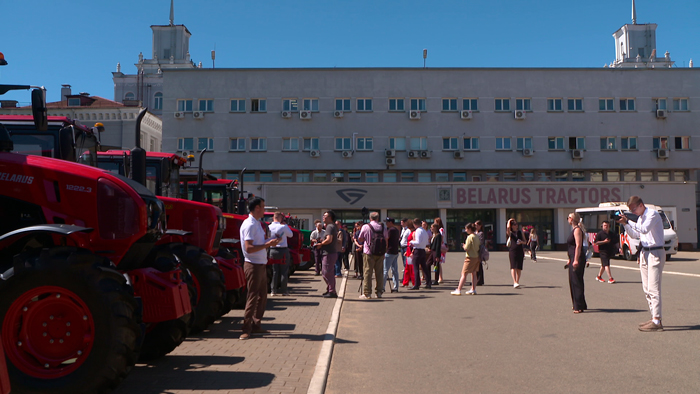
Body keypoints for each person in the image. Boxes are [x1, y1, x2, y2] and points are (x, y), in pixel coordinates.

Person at [618, 196, 666, 332]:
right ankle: (653, 318)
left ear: (640, 205)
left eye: (633, 209)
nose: (632, 212)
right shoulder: (639, 218)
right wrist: (625, 224)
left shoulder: (652, 214)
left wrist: (628, 220)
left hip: (655, 252)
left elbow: (644, 229)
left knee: (653, 288)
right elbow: (634, 234)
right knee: (646, 288)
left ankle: (657, 320)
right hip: (645, 252)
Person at [239, 197, 281, 340]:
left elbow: (258, 243)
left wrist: (270, 242)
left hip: (260, 263)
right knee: (253, 296)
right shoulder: (250, 224)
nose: (265, 210)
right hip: (253, 264)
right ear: (257, 208)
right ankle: (246, 329)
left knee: (262, 296)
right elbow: (249, 248)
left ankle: (256, 325)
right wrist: (268, 245)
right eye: (263, 207)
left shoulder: (256, 223)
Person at [357, 212, 386, 299]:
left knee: (368, 272)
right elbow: (386, 239)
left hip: (369, 252)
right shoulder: (382, 227)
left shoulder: (366, 226)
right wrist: (384, 251)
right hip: (380, 252)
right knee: (379, 273)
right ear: (378, 218)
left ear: (370, 218)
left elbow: (360, 238)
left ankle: (367, 293)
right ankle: (379, 292)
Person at [268, 212, 293, 296]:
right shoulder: (283, 226)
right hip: (283, 250)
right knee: (284, 271)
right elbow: (290, 235)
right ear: (280, 218)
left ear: (273, 218)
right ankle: (284, 291)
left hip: (272, 250)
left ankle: (273, 290)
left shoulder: (269, 227)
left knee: (275, 271)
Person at [451, 223, 481, 295]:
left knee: (464, 273)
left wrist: (464, 246)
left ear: (470, 229)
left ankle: (459, 289)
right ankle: (473, 289)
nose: (465, 230)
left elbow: (467, 248)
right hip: (477, 256)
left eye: (466, 229)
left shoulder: (469, 237)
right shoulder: (476, 236)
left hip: (470, 257)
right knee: (474, 273)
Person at [567, 212, 588, 314]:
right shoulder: (574, 230)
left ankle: (579, 306)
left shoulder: (577, 230)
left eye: (569, 217)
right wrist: (570, 259)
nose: (568, 219)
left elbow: (578, 246)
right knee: (572, 281)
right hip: (572, 257)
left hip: (578, 258)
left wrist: (575, 259)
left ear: (572, 219)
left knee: (576, 281)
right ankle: (577, 303)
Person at [315, 210, 339, 298]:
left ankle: (332, 291)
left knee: (327, 272)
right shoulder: (332, 226)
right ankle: (330, 289)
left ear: (330, 218)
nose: (323, 217)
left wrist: (321, 244)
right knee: (327, 272)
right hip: (330, 253)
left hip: (329, 253)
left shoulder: (330, 227)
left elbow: (329, 239)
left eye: (325, 216)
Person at [409, 218, 431, 290]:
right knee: (424, 267)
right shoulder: (424, 231)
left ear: (415, 224)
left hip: (417, 250)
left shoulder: (418, 231)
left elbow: (417, 242)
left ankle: (416, 284)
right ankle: (428, 282)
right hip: (423, 250)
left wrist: (411, 242)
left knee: (416, 268)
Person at [382, 217, 401, 293]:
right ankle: (396, 286)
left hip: (389, 251)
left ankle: (382, 286)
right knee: (394, 270)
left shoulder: (390, 230)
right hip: (395, 251)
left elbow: (386, 239)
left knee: (385, 270)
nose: (386, 223)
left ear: (391, 222)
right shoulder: (396, 230)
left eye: (387, 222)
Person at [507, 218, 526, 288]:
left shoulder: (520, 232)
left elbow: (525, 241)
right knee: (513, 266)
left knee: (519, 267)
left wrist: (521, 242)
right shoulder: (510, 233)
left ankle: (517, 281)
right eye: (514, 224)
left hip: (520, 250)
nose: (516, 225)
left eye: (516, 224)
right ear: (512, 226)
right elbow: (508, 228)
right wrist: (509, 221)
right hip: (512, 250)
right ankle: (514, 281)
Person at [402, 221, 416, 287]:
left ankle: (414, 282)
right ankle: (405, 282)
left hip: (411, 251)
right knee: (407, 268)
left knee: (412, 268)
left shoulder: (414, 233)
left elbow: (414, 243)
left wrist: (412, 252)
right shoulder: (411, 232)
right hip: (408, 250)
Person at [434, 217, 446, 284]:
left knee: (439, 262)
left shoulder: (441, 230)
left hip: (440, 246)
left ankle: (440, 277)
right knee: (438, 263)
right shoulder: (440, 229)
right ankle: (440, 277)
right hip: (440, 245)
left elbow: (441, 238)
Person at [475, 220, 487, 285]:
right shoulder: (474, 233)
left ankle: (480, 280)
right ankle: (476, 279)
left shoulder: (481, 233)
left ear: (480, 226)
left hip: (479, 251)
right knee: (475, 266)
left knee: (479, 266)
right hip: (474, 250)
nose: (475, 226)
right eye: (475, 225)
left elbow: (481, 242)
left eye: (477, 225)